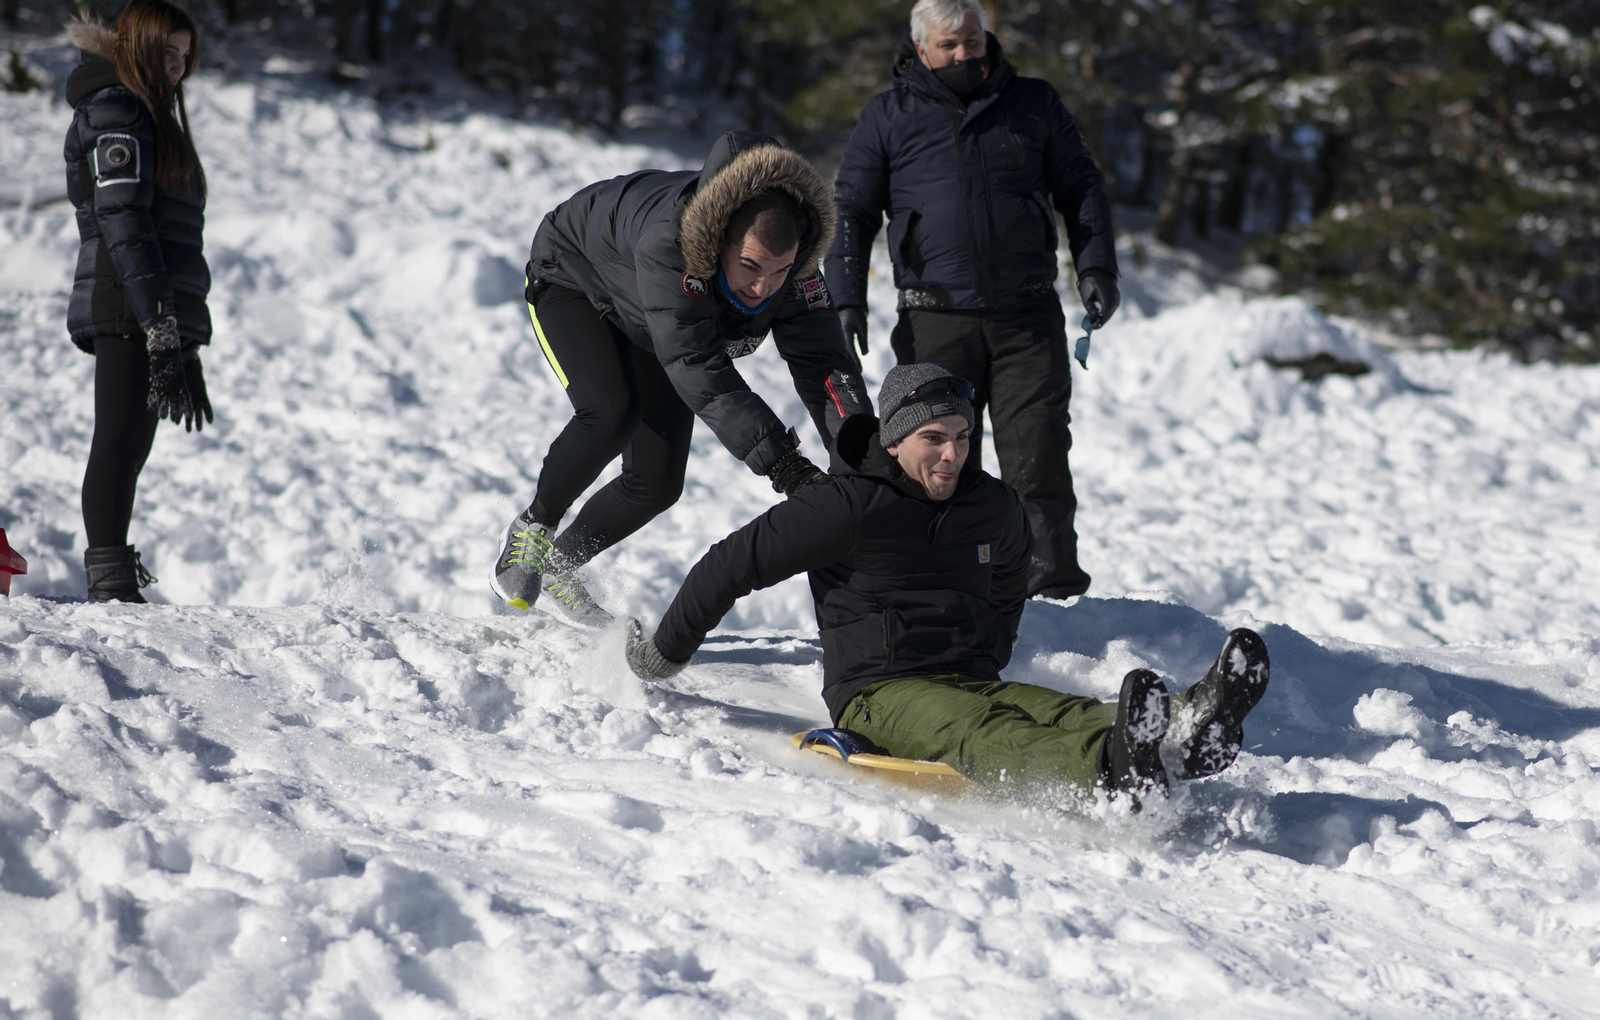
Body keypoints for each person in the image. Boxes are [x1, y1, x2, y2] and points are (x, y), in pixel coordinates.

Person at [621, 364, 1270, 802]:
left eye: (962, 436)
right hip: (879, 691)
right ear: (897, 441)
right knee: (982, 733)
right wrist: (664, 655)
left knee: (1051, 708)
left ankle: (1187, 723)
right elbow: (729, 566)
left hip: (967, 675)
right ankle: (1108, 766)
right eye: (934, 438)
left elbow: (1013, 571)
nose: (953, 454)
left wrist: (989, 649)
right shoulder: (845, 505)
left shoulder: (989, 503)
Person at [495, 131, 871, 625]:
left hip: (655, 317)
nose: (763, 287)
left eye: (779, 272)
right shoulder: (670, 243)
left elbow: (825, 365)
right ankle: (532, 531)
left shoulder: (796, 267)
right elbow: (696, 364)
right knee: (611, 412)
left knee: (656, 482)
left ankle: (561, 568)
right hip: (575, 276)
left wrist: (864, 456)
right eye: (751, 266)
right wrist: (787, 466)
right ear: (720, 242)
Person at [825, 0, 1120, 601]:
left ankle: (1051, 594)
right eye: (949, 45)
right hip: (933, 319)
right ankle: (951, 591)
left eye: (973, 42)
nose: (964, 55)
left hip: (1027, 317)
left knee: (1036, 456)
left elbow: (1081, 185)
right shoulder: (888, 115)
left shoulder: (1033, 102)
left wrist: (1096, 265)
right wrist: (845, 297)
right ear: (921, 49)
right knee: (938, 460)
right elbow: (851, 209)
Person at [64, 0, 214, 603]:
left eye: (184, 56)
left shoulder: (148, 113)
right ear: (137, 49)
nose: (176, 68)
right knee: (119, 439)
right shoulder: (118, 109)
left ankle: (115, 576)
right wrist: (159, 328)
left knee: (132, 443)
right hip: (125, 296)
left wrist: (183, 344)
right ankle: (109, 581)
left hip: (148, 305)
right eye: (166, 53)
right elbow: (124, 221)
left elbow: (171, 233)